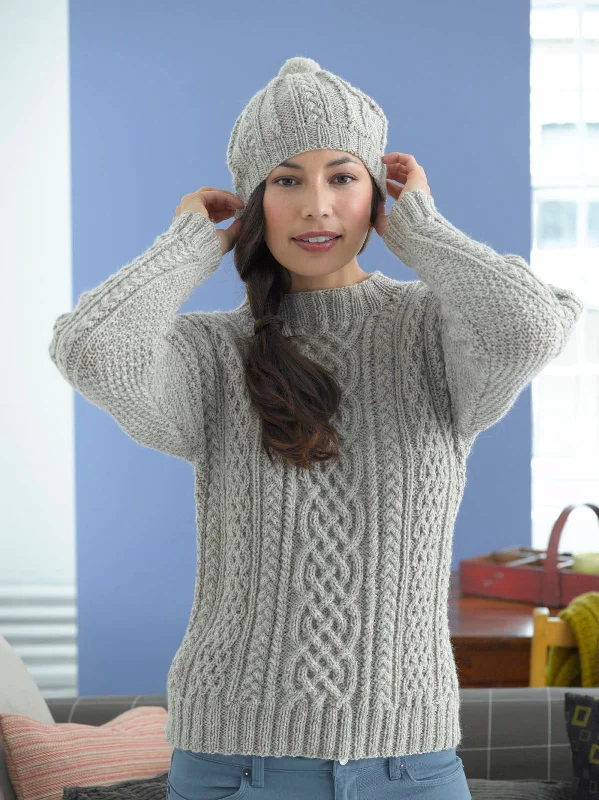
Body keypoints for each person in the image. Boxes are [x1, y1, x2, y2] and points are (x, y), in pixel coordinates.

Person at [49, 56, 584, 799]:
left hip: (412, 766)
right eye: (285, 180)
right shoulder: (214, 353)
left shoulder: (435, 335)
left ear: (377, 192)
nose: (316, 206)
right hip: (233, 764)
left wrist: (422, 232)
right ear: (252, 201)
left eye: (342, 177)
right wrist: (185, 245)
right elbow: (90, 349)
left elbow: (531, 325)